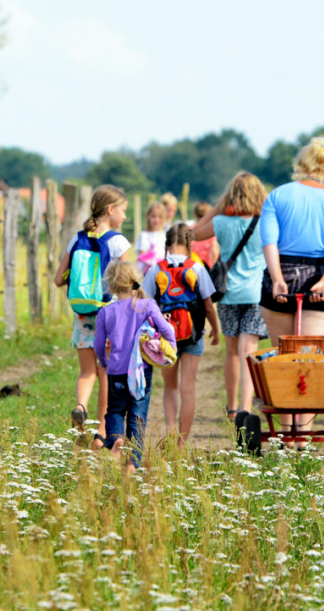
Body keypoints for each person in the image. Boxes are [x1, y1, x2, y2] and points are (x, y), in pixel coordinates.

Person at [259, 136, 324, 440]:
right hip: (320, 277)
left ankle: (287, 433)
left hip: (281, 274)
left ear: (301, 162)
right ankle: (305, 436)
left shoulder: (278, 195)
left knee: (283, 358)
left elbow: (269, 241)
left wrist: (277, 278)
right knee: (311, 360)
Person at [54, 185, 131, 448]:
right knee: (105, 373)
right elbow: (126, 285)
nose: (125, 217)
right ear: (110, 210)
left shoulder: (76, 240)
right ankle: (100, 431)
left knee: (87, 372)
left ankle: (80, 406)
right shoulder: (119, 242)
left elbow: (58, 279)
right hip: (109, 315)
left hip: (82, 314)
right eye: (123, 211)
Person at [193, 172, 267, 421]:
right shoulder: (265, 221)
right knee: (250, 352)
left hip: (228, 293)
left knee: (232, 352)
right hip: (255, 292)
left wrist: (216, 208)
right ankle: (246, 407)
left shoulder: (221, 222)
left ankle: (232, 407)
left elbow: (193, 233)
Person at [93, 261, 176, 472]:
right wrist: (171, 350)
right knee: (137, 417)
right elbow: (167, 330)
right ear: (134, 281)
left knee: (115, 412)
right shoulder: (147, 306)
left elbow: (98, 345)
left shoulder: (105, 312)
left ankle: (116, 439)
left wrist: (104, 362)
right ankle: (132, 464)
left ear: (111, 286)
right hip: (141, 373)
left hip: (116, 372)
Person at [143, 224, 220, 446]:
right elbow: (208, 306)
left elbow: (145, 305)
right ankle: (181, 442)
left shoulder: (155, 270)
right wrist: (215, 329)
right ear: (190, 244)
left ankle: (170, 429)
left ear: (167, 244)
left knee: (170, 387)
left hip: (165, 337)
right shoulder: (197, 268)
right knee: (188, 389)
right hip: (193, 335)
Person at [136, 201, 166, 275]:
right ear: (148, 216)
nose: (156, 220)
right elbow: (142, 255)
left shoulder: (164, 234)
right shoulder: (144, 235)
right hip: (148, 272)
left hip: (163, 271)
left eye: (159, 217)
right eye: (153, 216)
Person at [190, 203, 220, 267]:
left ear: (195, 215)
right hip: (206, 265)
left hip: (192, 264)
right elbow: (214, 250)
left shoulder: (190, 230)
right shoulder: (210, 231)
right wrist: (214, 265)